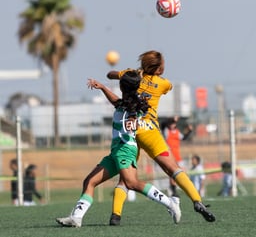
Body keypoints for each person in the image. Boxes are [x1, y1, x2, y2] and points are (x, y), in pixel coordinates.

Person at [56, 70, 181, 228]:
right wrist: (102, 87)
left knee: (132, 183)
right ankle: (76, 218)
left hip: (125, 150)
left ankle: (170, 203)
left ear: (122, 86)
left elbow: (134, 116)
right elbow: (116, 101)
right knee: (89, 181)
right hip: (116, 152)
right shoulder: (125, 102)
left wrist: (133, 122)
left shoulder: (135, 105)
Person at [107, 50, 215, 225]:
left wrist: (123, 74)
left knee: (126, 178)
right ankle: (197, 201)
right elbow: (166, 86)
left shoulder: (131, 75)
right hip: (148, 130)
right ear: (158, 69)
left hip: (129, 129)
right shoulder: (163, 83)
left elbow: (110, 74)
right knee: (174, 168)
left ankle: (115, 215)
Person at [163, 118, 192, 197]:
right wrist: (174, 118)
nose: (173, 125)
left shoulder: (177, 132)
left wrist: (189, 131)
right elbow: (162, 126)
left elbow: (184, 138)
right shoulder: (166, 131)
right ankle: (173, 191)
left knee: (183, 173)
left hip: (177, 156)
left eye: (174, 123)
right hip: (170, 157)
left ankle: (181, 188)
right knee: (172, 174)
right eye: (171, 124)